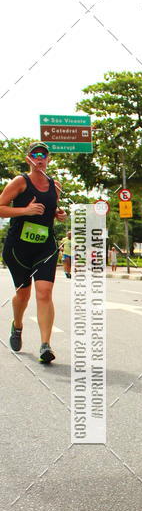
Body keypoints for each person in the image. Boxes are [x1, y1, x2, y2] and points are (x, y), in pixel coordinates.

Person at [0, 142, 67, 363]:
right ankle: (17, 325)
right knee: (23, 294)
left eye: (44, 156)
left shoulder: (55, 186)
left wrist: (58, 214)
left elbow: (51, 209)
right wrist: (25, 211)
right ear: (29, 159)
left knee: (44, 292)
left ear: (48, 160)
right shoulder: (20, 182)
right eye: (35, 155)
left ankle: (45, 345)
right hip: (18, 248)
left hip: (45, 246)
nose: (40, 159)